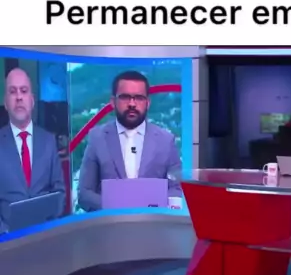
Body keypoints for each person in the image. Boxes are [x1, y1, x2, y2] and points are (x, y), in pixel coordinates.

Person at [78, 70, 181, 212]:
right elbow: (84, 194)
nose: (132, 104)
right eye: (125, 97)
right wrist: (115, 208)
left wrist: (154, 208)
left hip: (153, 223)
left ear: (147, 103)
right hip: (110, 223)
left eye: (139, 98)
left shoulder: (166, 141)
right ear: (113, 102)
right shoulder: (97, 138)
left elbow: (177, 189)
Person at [0, 68, 66, 231]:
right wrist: (5, 232)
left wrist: (49, 224)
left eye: (24, 91)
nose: (19, 97)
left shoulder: (48, 141)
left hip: (45, 235)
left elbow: (60, 192)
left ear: (32, 100)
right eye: (13, 92)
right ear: (6, 102)